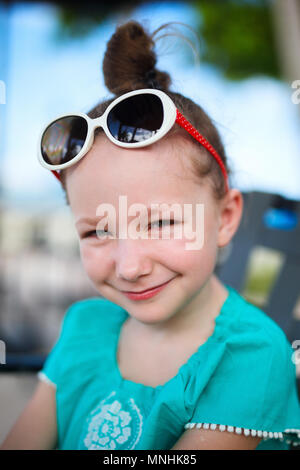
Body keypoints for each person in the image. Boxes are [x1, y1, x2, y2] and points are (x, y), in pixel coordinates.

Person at [1, 20, 300, 451]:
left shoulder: (252, 355)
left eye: (160, 223)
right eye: (98, 230)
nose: (130, 266)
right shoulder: (86, 326)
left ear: (227, 216)